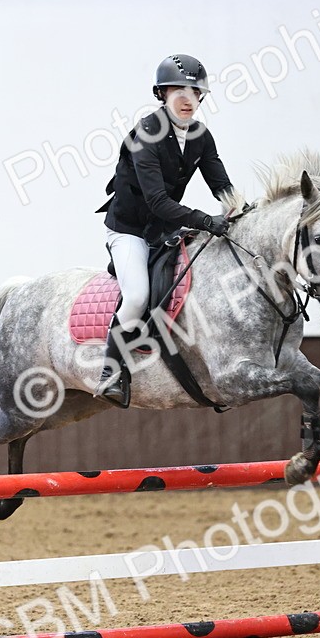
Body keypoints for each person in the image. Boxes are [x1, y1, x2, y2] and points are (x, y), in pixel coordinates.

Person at [93, 54, 237, 407]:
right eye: (178, 91)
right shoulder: (146, 134)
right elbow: (158, 201)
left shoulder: (201, 137)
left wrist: (240, 212)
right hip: (129, 230)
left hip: (163, 228)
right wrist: (205, 220)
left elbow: (223, 187)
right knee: (138, 295)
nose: (187, 99)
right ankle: (111, 371)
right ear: (162, 94)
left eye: (195, 91)